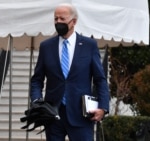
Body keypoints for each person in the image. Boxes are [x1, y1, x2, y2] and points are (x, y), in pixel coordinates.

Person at [30, 3, 110, 141]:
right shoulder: (46, 47)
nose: (58, 22)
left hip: (81, 116)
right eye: (56, 19)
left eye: (62, 19)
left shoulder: (89, 46)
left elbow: (100, 80)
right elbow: (37, 80)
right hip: (53, 116)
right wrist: (37, 101)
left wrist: (103, 107)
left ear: (74, 21)